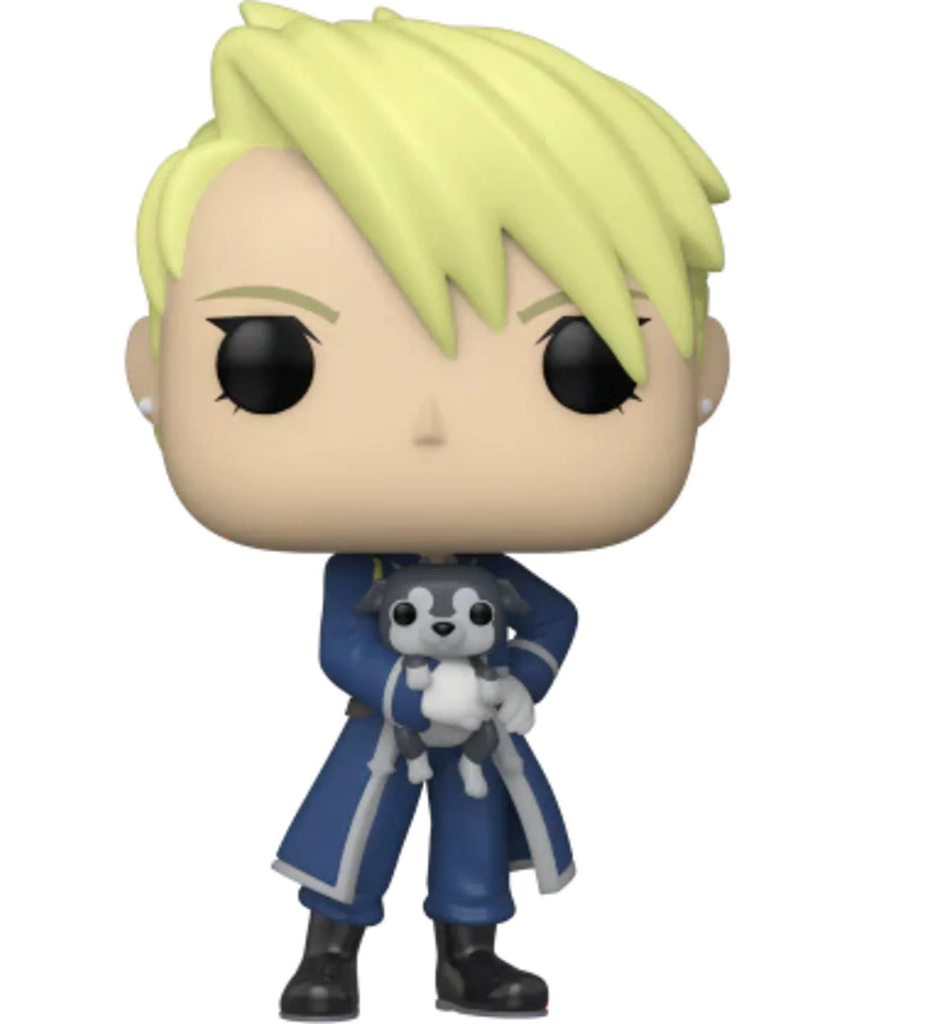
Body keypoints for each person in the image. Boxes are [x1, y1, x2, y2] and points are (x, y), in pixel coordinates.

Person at [124, 4, 730, 1018]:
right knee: (350, 843)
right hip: (384, 734)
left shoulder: (500, 579)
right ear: (153, 376)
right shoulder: (358, 575)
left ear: (702, 379)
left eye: (581, 367)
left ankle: (468, 958)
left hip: (481, 739)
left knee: (474, 845)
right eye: (271, 363)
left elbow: (555, 617)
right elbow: (340, 646)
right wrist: (408, 694)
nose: (429, 425)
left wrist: (518, 686)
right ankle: (330, 957)